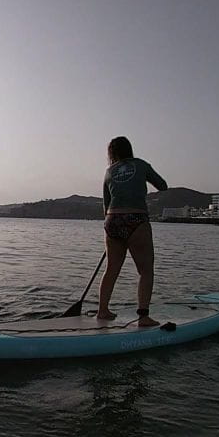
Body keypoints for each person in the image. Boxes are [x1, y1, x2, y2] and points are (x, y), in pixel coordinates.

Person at [98, 136, 167, 326]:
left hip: (112, 220)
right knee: (145, 271)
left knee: (111, 269)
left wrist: (112, 233)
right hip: (136, 219)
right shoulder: (142, 165)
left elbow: (106, 206)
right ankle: (143, 317)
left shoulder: (108, 172)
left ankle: (102, 311)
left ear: (112, 153)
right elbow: (163, 185)